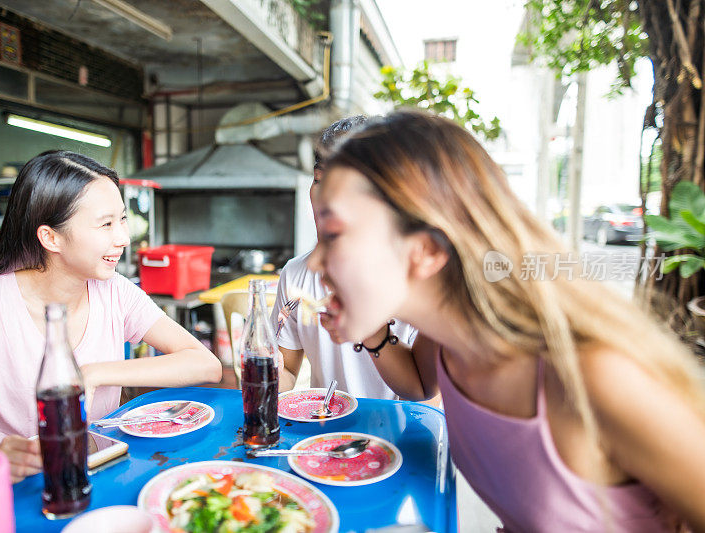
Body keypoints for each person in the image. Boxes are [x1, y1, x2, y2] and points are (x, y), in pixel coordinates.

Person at [309, 110, 705, 531]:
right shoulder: (448, 343)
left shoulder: (595, 378)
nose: (315, 262)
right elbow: (419, 387)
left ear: (424, 250)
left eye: (333, 235)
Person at [0, 151, 222, 482]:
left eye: (122, 220)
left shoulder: (114, 291)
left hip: (98, 472)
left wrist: (93, 374)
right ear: (51, 237)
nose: (122, 238)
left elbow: (206, 364)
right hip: (15, 490)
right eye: (106, 224)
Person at [272, 116, 416, 399]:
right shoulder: (295, 274)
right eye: (318, 180)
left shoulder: (418, 278)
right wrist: (270, 374)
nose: (325, 198)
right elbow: (287, 370)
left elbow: (426, 399)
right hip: (326, 432)